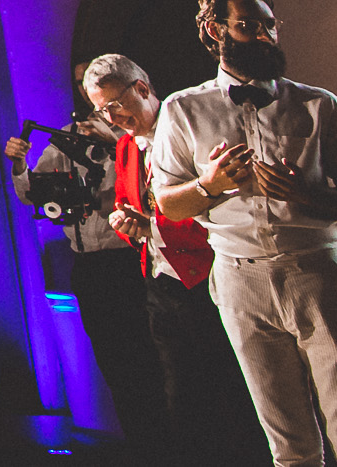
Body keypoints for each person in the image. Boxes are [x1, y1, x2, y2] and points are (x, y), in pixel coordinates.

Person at [152, 0, 337, 467]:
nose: (264, 36)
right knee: (286, 434)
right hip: (240, 275)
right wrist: (209, 186)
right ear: (216, 31)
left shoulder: (320, 106)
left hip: (317, 269)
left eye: (269, 26)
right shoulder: (183, 109)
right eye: (248, 26)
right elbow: (167, 205)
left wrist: (305, 194)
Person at [81, 53, 265, 466]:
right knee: (182, 400)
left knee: (234, 395)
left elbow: (220, 213)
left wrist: (153, 228)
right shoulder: (127, 146)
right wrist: (127, 222)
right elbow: (130, 204)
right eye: (102, 111)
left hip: (213, 279)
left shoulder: (189, 128)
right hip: (160, 287)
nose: (112, 118)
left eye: (115, 106)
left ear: (142, 89)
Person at [2, 74, 159, 441]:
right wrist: (20, 164)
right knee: (113, 362)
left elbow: (144, 177)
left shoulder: (132, 135)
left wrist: (112, 141)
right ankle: (139, 446)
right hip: (88, 266)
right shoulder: (67, 135)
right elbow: (33, 194)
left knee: (146, 360)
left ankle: (164, 445)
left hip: (129, 260)